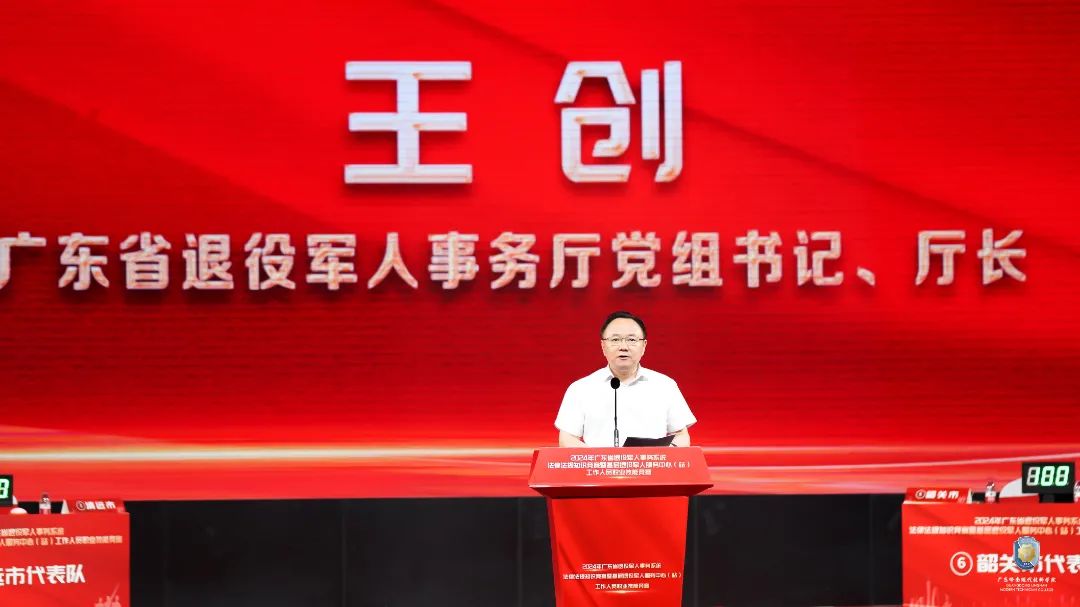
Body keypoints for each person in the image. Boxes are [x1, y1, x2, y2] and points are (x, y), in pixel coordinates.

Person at [555, 311, 697, 447]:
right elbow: (567, 439)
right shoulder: (580, 389)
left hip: (650, 463)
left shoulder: (665, 386)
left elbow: (681, 435)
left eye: (631, 340)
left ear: (644, 346)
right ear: (603, 346)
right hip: (600, 464)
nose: (623, 347)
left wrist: (664, 454)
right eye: (615, 340)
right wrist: (600, 459)